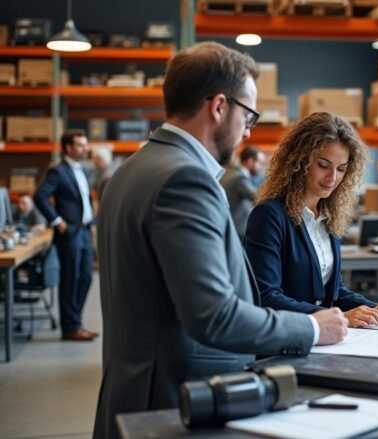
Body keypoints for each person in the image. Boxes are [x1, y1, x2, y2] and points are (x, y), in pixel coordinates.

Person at [93, 42, 348, 439]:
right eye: (248, 114)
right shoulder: (185, 180)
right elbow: (215, 316)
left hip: (134, 391)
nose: (249, 129)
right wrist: (313, 329)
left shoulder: (131, 169)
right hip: (176, 398)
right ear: (218, 107)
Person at [245, 112, 378, 327]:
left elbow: (334, 291)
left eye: (341, 169)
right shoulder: (269, 215)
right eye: (323, 165)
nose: (332, 178)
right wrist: (338, 317)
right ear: (300, 162)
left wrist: (373, 308)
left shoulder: (328, 216)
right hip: (289, 341)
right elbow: (266, 297)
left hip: (327, 338)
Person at [33, 128, 97, 342]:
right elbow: (40, 196)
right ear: (68, 148)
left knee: (86, 277)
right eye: (80, 144)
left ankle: (75, 322)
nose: (84, 148)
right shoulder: (58, 171)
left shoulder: (83, 170)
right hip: (69, 232)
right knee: (71, 279)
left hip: (85, 230)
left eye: (85, 144)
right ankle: (70, 328)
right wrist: (58, 222)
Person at [220, 146, 260, 240]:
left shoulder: (228, 171)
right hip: (238, 229)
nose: (260, 167)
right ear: (250, 161)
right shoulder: (239, 178)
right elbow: (259, 197)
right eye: (259, 162)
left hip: (227, 225)